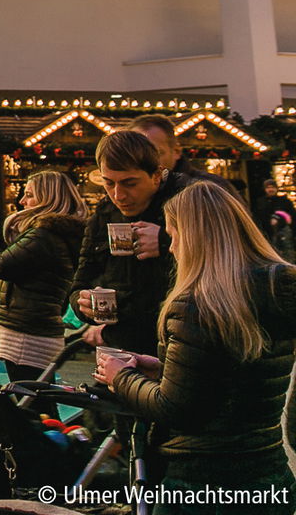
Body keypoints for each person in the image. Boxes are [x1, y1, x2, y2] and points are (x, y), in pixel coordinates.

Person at [96, 180, 296, 511]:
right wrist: (165, 369)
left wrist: (121, 377)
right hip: (268, 474)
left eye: (173, 236)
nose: (171, 248)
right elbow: (233, 376)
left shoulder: (196, 306)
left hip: (200, 483)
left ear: (193, 239)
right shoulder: (277, 290)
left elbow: (176, 410)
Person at [71, 130, 188, 355]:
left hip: (176, 347)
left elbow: (224, 263)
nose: (119, 195)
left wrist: (167, 242)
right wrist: (83, 305)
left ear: (156, 175)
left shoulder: (186, 203)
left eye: (130, 183)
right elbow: (81, 281)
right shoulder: (103, 216)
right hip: (120, 348)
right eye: (108, 183)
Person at [0, 171, 87, 386]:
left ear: (48, 198)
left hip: (27, 332)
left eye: (30, 195)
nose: (22, 201)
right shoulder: (50, 233)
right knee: (35, 397)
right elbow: (18, 264)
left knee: (31, 400)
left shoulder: (44, 235)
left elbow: (1, 265)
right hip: (32, 327)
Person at [130, 113, 244, 205]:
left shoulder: (210, 189)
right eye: (133, 154)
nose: (143, 161)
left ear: (176, 152)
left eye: (154, 153)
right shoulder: (120, 191)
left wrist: (161, 234)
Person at [252, 179, 296, 260]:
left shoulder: (285, 201)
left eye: (273, 187)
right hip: (266, 232)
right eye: (268, 187)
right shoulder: (260, 202)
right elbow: (257, 217)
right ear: (265, 189)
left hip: (283, 232)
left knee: (287, 254)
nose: (270, 189)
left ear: (276, 188)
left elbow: (292, 216)